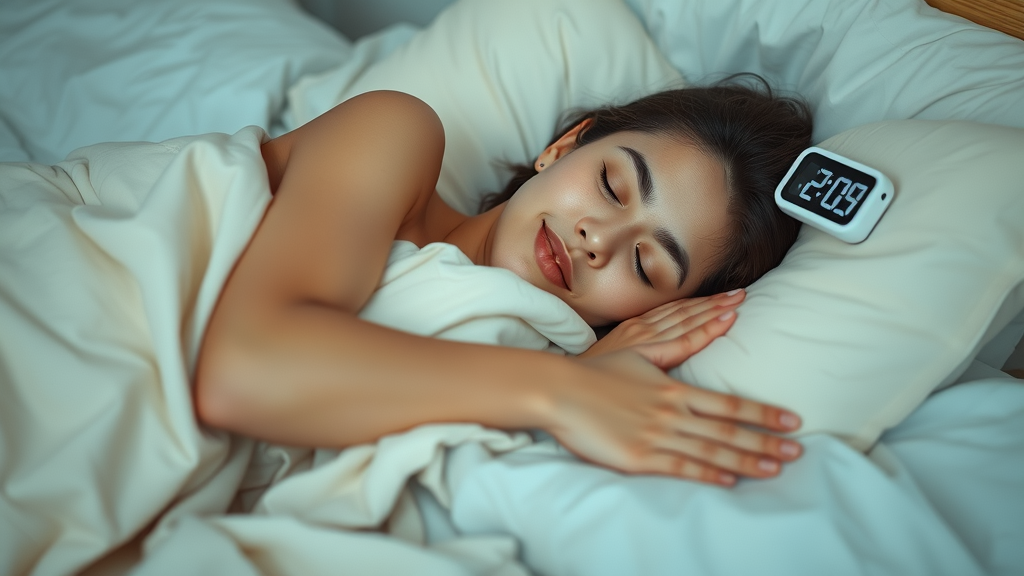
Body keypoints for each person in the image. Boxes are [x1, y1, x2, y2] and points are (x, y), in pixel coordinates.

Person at [195, 77, 813, 487]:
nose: (598, 238)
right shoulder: (397, 133)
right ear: (564, 145)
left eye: (646, 265)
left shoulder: (538, 374)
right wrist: (565, 391)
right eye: (612, 186)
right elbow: (242, 371)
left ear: (650, 314)